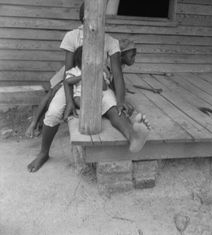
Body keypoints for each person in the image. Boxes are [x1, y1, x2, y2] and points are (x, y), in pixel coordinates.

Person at [27, 2, 150, 173]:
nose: (101, 19)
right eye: (96, 15)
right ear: (85, 17)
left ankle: (133, 137)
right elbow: (68, 73)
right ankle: (43, 152)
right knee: (54, 111)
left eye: (102, 15)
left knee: (114, 108)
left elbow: (117, 73)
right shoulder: (72, 37)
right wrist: (69, 101)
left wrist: (121, 100)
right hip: (73, 81)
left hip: (100, 82)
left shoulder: (110, 41)